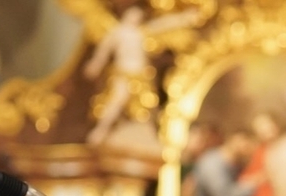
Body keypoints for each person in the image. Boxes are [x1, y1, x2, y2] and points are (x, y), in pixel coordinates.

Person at [82, 6, 200, 145]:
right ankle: (100, 130)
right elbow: (103, 51)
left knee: (149, 103)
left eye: (138, 16)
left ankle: (153, 134)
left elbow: (163, 24)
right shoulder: (118, 33)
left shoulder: (140, 32)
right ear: (126, 15)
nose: (135, 18)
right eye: (133, 15)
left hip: (141, 75)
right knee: (117, 100)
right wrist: (95, 64)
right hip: (124, 73)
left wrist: (185, 17)